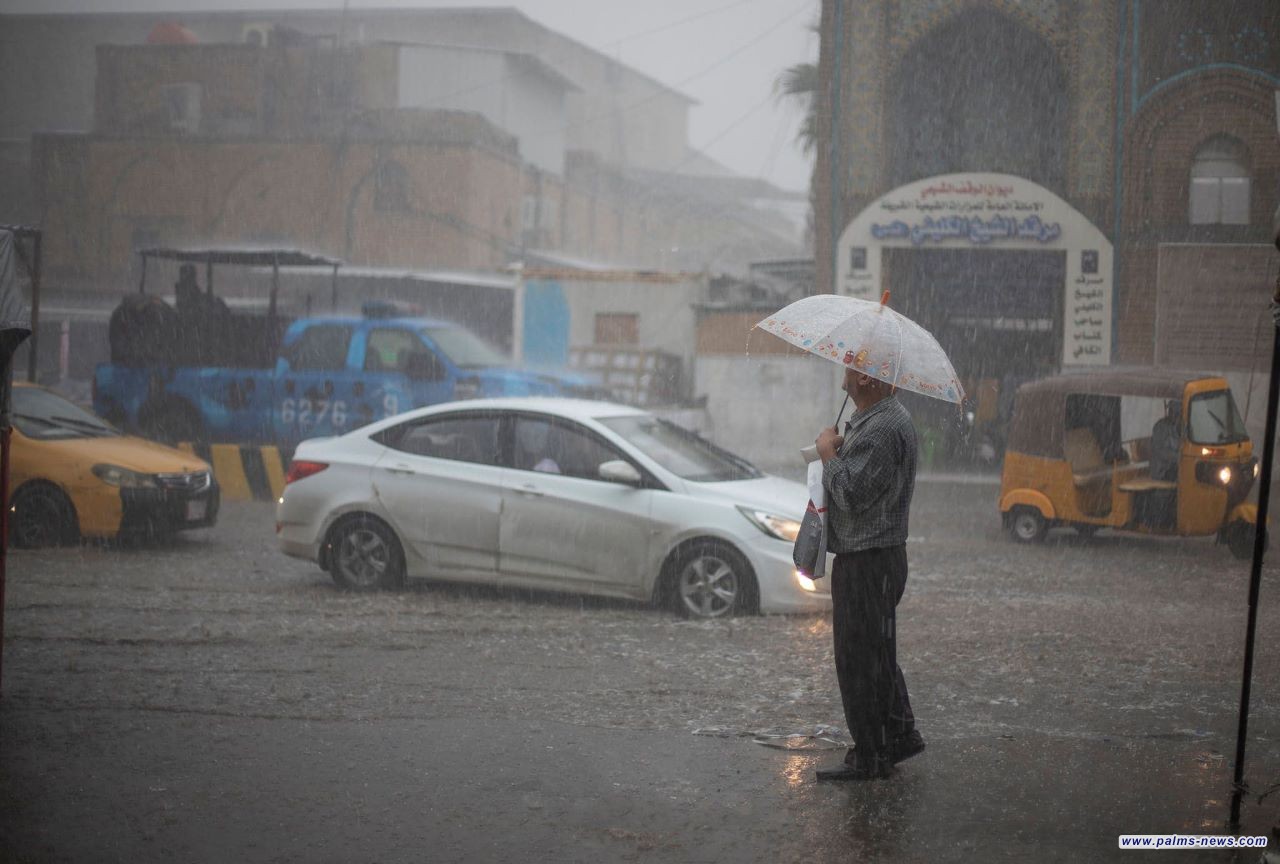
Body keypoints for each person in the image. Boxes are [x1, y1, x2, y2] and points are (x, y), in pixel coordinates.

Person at [812, 366, 924, 781]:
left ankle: (871, 756)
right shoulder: (881, 420)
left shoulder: (882, 428)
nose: (842, 374)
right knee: (877, 653)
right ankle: (897, 736)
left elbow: (852, 494)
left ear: (867, 379)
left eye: (849, 368)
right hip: (876, 557)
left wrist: (827, 454)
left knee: (859, 660)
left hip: (868, 560)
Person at [1150, 400, 1181, 482]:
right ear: (1170, 412)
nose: (1175, 415)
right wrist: (1179, 457)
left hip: (1174, 467)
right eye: (1173, 412)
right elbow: (1161, 451)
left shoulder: (1177, 427)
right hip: (1162, 470)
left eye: (1178, 413)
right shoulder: (1160, 427)